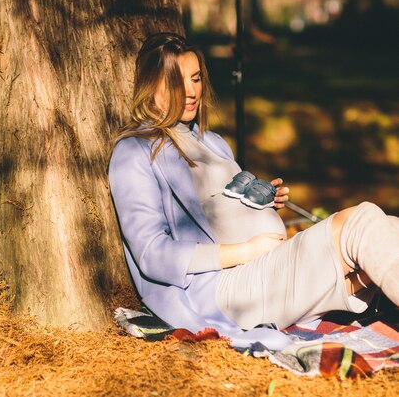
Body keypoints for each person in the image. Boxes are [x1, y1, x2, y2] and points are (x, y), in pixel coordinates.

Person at [108, 32, 399, 349]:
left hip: (264, 269)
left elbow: (220, 205)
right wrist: (246, 251)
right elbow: (152, 254)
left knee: (390, 226)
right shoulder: (135, 152)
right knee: (362, 222)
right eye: (178, 82)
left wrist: (261, 202)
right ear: (153, 87)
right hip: (223, 290)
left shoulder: (212, 142)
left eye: (195, 79)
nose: (191, 92)